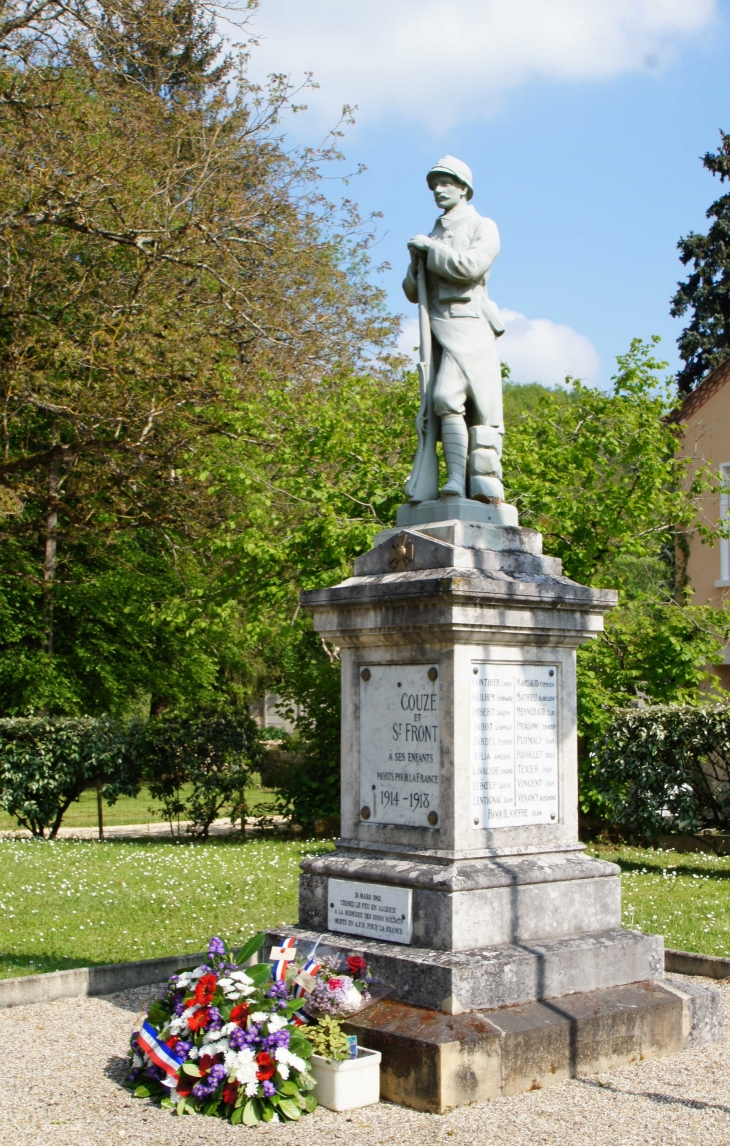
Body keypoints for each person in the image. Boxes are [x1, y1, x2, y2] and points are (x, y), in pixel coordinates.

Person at [403, 156, 505, 500]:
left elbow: (470, 267)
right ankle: (454, 485)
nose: (438, 190)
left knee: (447, 397)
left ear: (464, 188)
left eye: (446, 183)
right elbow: (412, 291)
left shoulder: (482, 226)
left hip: (469, 327)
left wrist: (432, 250)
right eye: (434, 184)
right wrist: (416, 262)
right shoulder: (432, 233)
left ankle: (462, 482)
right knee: (440, 407)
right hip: (437, 331)